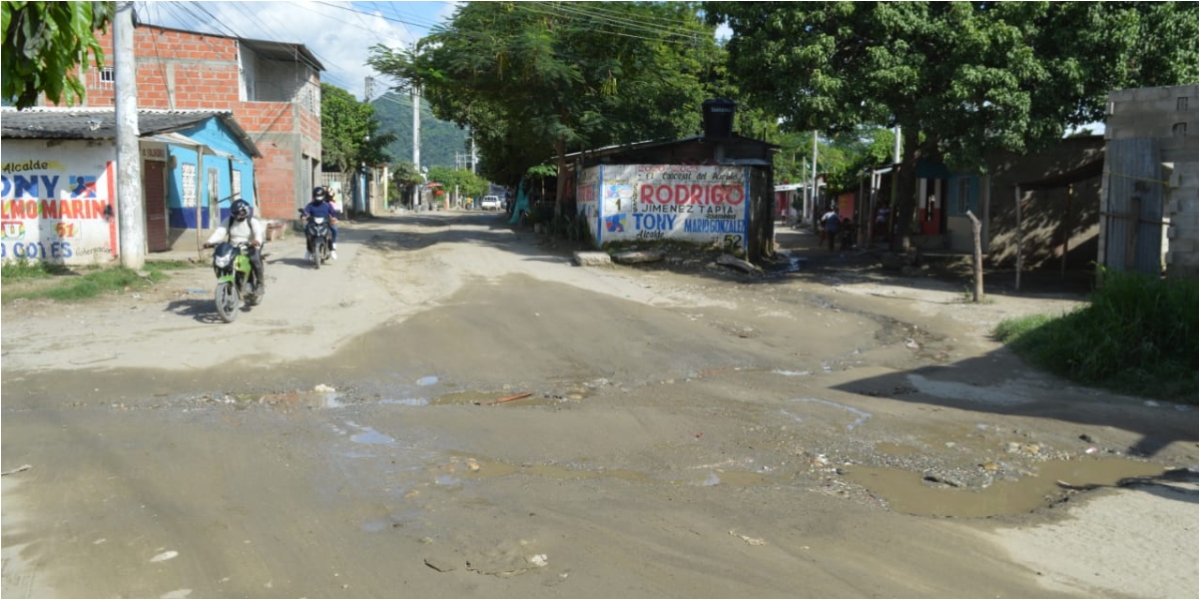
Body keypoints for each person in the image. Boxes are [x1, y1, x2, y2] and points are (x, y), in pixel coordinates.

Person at [204, 198, 266, 293]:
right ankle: (232, 279)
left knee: (255, 260)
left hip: (250, 246)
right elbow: (220, 232)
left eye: (240, 212)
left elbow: (258, 233)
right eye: (236, 212)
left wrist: (256, 241)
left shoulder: (252, 221)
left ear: (246, 210)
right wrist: (209, 241)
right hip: (234, 247)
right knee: (221, 260)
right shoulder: (229, 220)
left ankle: (260, 284)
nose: (238, 214)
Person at [302, 186, 340, 260]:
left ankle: (332, 249)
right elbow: (305, 212)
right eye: (317, 196)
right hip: (312, 223)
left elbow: (333, 213)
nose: (319, 197)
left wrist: (335, 218)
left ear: (323, 196)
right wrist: (303, 216)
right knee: (307, 230)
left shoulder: (327, 205)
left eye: (320, 195)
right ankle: (309, 250)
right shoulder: (310, 205)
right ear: (314, 196)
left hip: (325, 223)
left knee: (333, 230)